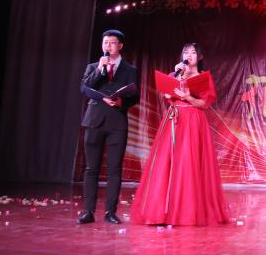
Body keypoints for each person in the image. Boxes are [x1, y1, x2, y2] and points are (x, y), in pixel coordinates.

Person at [130, 43, 229, 226]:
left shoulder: (204, 78)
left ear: (199, 57)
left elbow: (204, 104)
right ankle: (163, 212)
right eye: (185, 52)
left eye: (193, 53)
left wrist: (187, 97)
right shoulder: (175, 73)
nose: (188, 55)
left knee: (189, 162)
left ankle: (186, 212)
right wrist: (176, 78)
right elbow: (167, 96)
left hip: (193, 120)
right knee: (167, 161)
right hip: (174, 119)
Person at [77, 29, 140, 225]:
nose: (108, 46)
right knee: (91, 168)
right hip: (94, 121)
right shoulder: (93, 66)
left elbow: (135, 97)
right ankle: (88, 212)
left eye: (112, 43)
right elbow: (84, 88)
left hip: (117, 122)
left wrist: (122, 102)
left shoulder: (130, 70)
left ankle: (110, 212)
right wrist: (99, 69)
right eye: (105, 42)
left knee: (114, 169)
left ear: (120, 46)